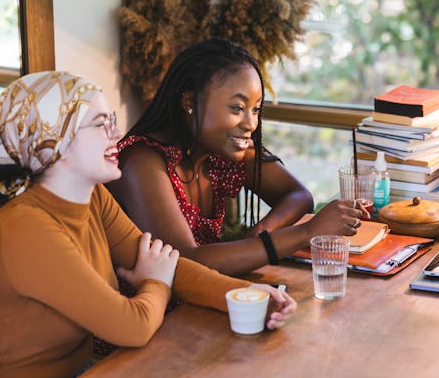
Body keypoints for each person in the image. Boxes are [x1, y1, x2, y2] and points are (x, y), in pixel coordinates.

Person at [0, 71, 296, 378]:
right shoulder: (23, 227)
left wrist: (239, 295)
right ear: (51, 141)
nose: (116, 135)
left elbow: (171, 265)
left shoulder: (90, 197)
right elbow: (131, 326)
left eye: (112, 121)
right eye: (99, 125)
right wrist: (154, 281)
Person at [107, 39, 366, 276]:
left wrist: (261, 233)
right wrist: (307, 232)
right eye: (237, 108)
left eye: (256, 109)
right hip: (152, 315)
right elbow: (186, 263)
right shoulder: (141, 161)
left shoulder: (219, 153)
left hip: (204, 300)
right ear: (190, 102)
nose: (251, 123)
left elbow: (298, 196)